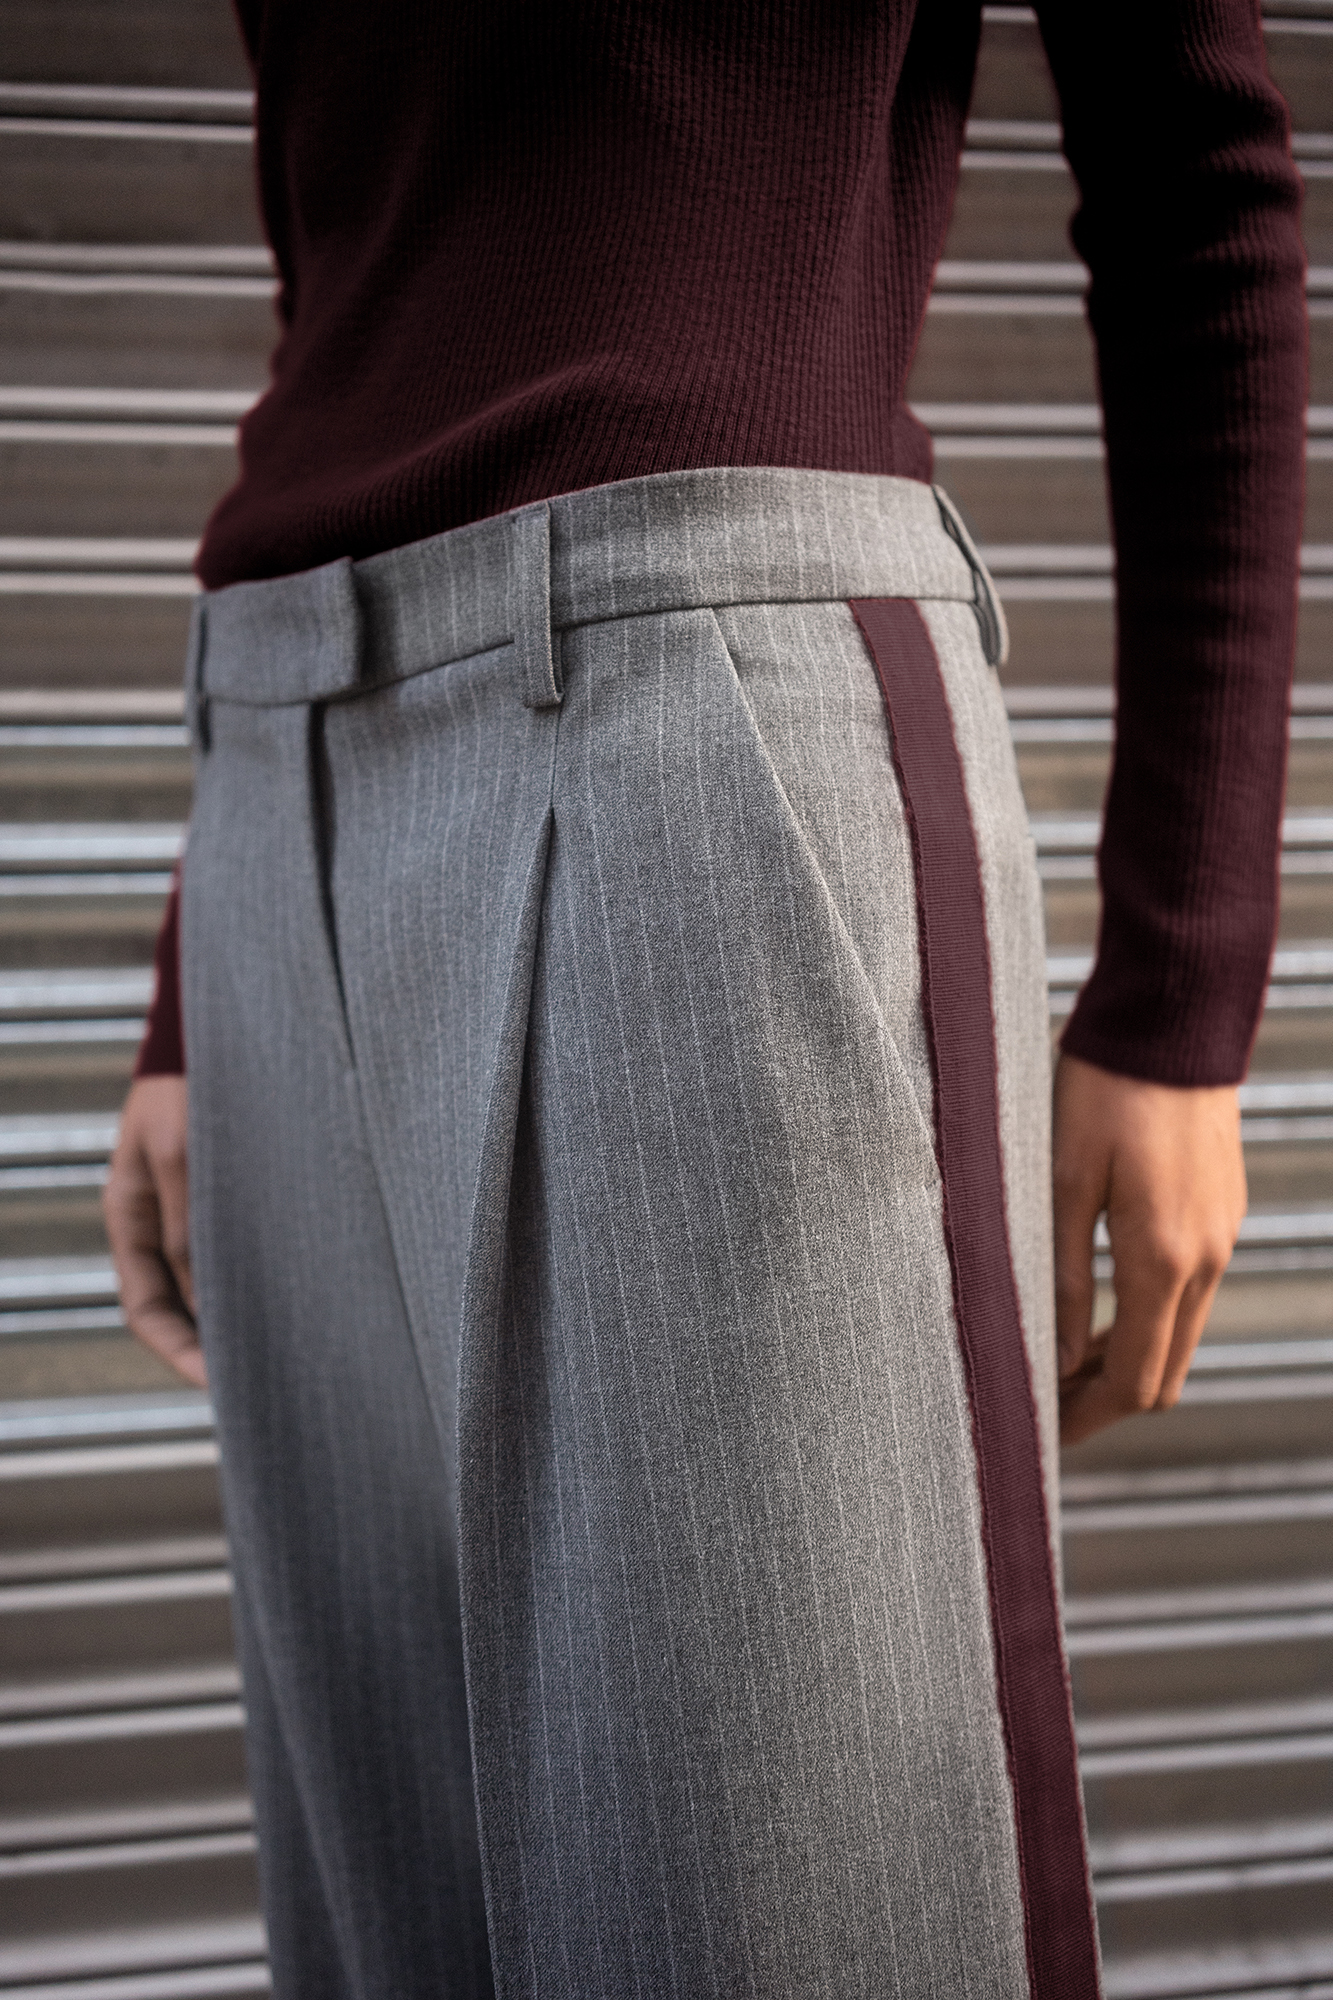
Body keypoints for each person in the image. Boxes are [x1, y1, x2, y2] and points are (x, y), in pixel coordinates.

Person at [102, 3, 1305, 1994]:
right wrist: (187, 986)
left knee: (790, 1921)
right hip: (274, 753)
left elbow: (1198, 189)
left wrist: (1182, 984)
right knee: (397, 1936)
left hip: (697, 720)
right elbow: (354, 270)